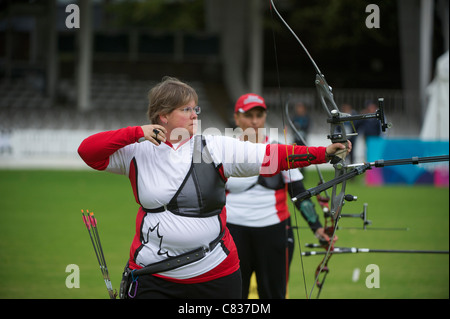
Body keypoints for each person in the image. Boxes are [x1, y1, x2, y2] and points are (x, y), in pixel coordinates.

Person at [77, 77, 351, 299]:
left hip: (215, 274)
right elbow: (87, 151)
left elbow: (271, 156)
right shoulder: (136, 151)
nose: (195, 114)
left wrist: (324, 153)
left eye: (196, 108)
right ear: (162, 116)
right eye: (185, 109)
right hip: (154, 275)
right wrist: (135, 133)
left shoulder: (213, 145)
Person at [226, 93, 334, 299]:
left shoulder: (279, 150)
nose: (255, 121)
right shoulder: (225, 150)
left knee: (273, 293)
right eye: (248, 116)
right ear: (237, 118)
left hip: (274, 232)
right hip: (233, 233)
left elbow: (299, 192)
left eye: (259, 115)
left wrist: (317, 228)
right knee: (233, 295)